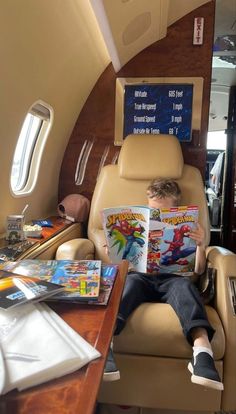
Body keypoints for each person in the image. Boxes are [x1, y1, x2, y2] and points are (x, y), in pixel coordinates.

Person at [103, 178, 223, 391]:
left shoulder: (192, 227)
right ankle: (106, 345)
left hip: (174, 279)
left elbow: (198, 270)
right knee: (128, 286)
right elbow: (122, 264)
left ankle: (202, 352)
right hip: (140, 276)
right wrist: (114, 254)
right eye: (152, 211)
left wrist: (200, 245)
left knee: (186, 289)